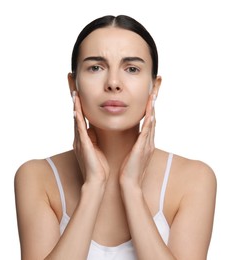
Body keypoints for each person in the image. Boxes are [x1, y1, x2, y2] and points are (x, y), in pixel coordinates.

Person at [14, 15, 217, 260]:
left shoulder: (194, 179)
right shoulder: (37, 177)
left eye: (131, 68)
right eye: (95, 67)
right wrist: (93, 186)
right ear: (73, 84)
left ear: (154, 87)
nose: (113, 83)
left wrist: (131, 189)